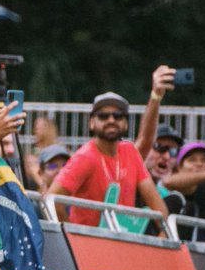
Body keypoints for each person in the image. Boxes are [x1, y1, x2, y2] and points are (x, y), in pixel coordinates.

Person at [49, 92, 169, 228]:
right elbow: (51, 199)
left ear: (126, 124)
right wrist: (71, 236)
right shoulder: (85, 157)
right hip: (87, 244)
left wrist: (164, 234)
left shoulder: (130, 152)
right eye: (103, 116)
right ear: (92, 123)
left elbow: (159, 208)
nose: (111, 120)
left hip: (123, 242)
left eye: (118, 116)